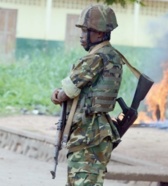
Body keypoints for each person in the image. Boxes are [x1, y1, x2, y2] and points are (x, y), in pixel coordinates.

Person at [51, 4, 122, 186]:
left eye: (85, 31)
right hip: (96, 132)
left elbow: (68, 91)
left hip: (89, 134)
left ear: (99, 34)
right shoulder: (112, 55)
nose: (81, 36)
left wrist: (57, 95)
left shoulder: (95, 58)